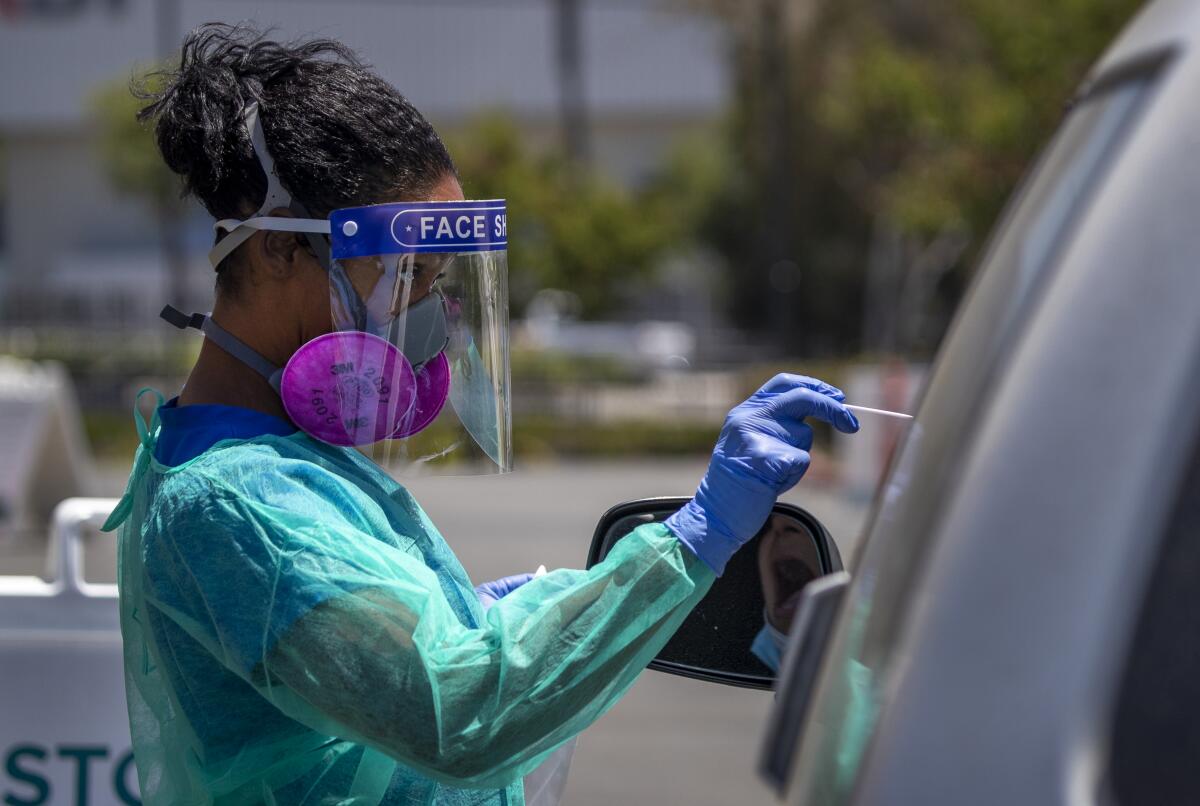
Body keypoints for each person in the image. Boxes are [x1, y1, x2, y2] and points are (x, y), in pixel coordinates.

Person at [102, 23, 860, 806]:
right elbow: (461, 715)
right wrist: (694, 538)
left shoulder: (274, 457)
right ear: (277, 252)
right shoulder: (237, 504)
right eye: (407, 274)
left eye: (438, 278)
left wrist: (475, 617)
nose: (428, 317)